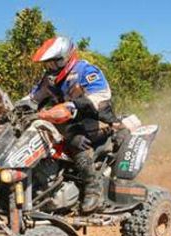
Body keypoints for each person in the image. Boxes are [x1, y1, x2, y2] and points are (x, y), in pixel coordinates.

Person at [18, 36, 117, 213]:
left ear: (66, 58)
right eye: (47, 64)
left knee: (75, 138)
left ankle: (93, 190)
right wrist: (16, 109)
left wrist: (72, 106)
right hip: (68, 120)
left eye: (53, 64)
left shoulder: (86, 71)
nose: (50, 68)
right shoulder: (49, 79)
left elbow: (100, 96)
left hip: (99, 120)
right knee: (37, 134)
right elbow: (33, 98)